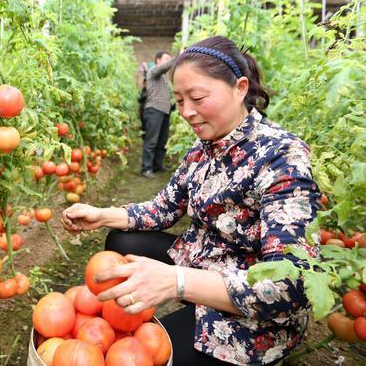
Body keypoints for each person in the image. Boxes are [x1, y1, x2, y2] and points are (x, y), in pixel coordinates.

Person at [62, 36, 321, 365]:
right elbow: (163, 209)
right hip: (207, 261)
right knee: (121, 240)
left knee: (156, 354)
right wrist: (103, 215)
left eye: (197, 98)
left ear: (240, 88)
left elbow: (291, 284)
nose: (185, 112)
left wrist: (176, 282)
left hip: (257, 310)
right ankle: (192, 302)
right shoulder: (202, 152)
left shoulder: (282, 156)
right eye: (180, 100)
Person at [141, 51, 175, 179]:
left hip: (164, 111)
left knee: (162, 141)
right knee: (151, 141)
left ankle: (157, 166)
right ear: (158, 60)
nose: (168, 61)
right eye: (166, 58)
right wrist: (178, 57)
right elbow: (163, 68)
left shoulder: (164, 78)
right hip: (154, 110)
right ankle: (146, 168)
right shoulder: (153, 71)